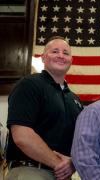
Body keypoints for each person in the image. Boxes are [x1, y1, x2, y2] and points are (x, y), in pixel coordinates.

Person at [5, 36, 83, 180]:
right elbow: (22, 136)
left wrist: (73, 164)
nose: (61, 55)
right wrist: (59, 164)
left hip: (63, 176)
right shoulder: (29, 85)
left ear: (71, 60)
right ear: (43, 58)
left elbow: (80, 142)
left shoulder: (75, 100)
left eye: (66, 53)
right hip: (30, 171)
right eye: (55, 51)